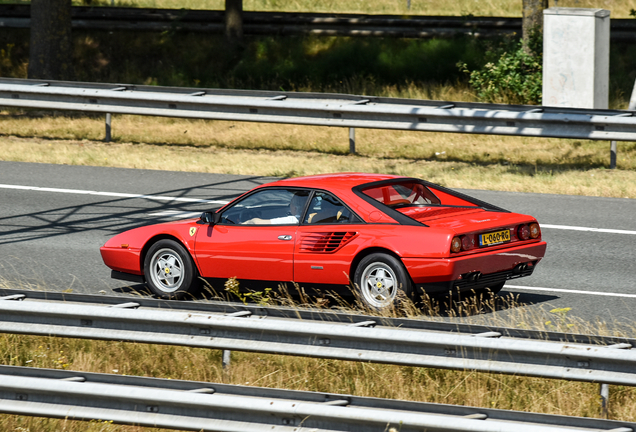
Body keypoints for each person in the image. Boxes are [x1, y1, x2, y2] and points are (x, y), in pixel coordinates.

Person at [242, 192, 306, 225]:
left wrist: (242, 224)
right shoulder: (312, 217)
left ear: (295, 208)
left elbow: (256, 223)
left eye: (290, 204)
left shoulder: (294, 220)